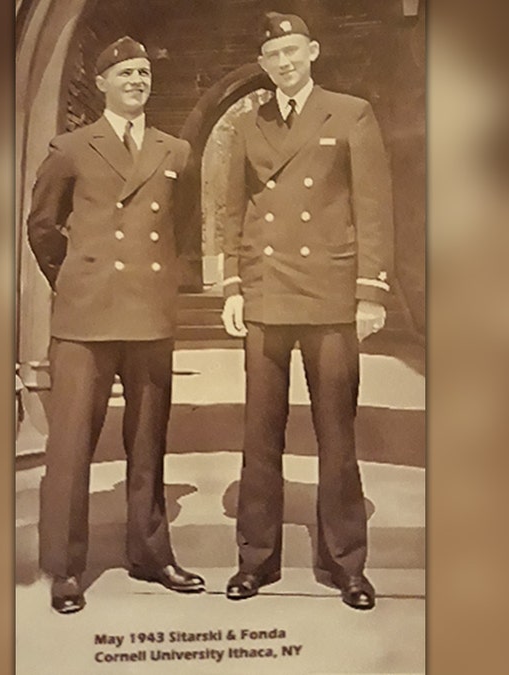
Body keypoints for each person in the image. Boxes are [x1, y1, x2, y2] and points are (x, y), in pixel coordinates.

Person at [219, 12, 394, 611]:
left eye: (293, 51)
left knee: (336, 433)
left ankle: (347, 563)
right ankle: (255, 560)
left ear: (312, 51)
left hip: (329, 295)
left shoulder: (350, 113)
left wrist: (370, 292)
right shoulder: (250, 122)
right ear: (263, 65)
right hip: (267, 291)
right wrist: (234, 287)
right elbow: (233, 207)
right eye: (273, 56)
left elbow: (373, 207)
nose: (284, 63)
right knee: (259, 434)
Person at [27, 36, 204, 615]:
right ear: (100, 83)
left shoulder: (174, 151)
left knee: (149, 442)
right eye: (125, 72)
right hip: (86, 317)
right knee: (72, 446)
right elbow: (43, 228)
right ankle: (64, 567)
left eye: (144, 71)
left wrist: (153, 283)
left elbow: (183, 227)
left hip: (148, 314)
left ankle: (151, 554)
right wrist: (77, 279)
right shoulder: (72, 148)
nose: (137, 80)